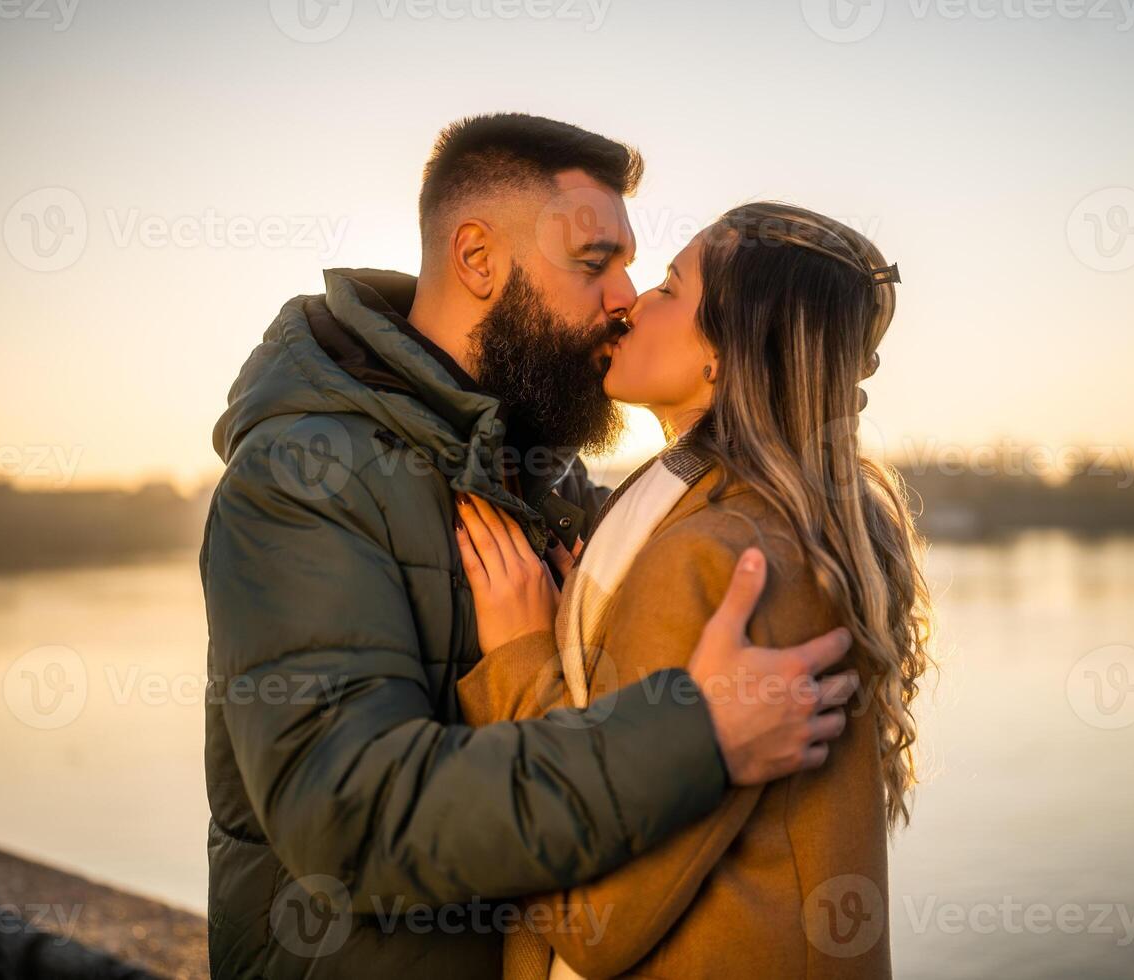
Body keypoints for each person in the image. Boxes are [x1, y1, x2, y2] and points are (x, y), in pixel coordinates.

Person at [201, 115, 861, 978]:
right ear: (477, 259)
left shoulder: (538, 472)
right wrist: (695, 738)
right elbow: (350, 820)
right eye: (595, 263)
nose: (625, 297)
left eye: (634, 267)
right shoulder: (303, 478)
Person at [453, 202, 933, 978]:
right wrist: (596, 627)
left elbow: (589, 923)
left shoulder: (725, 556)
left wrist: (521, 657)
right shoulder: (754, 521)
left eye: (671, 288)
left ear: (726, 353)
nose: (636, 301)